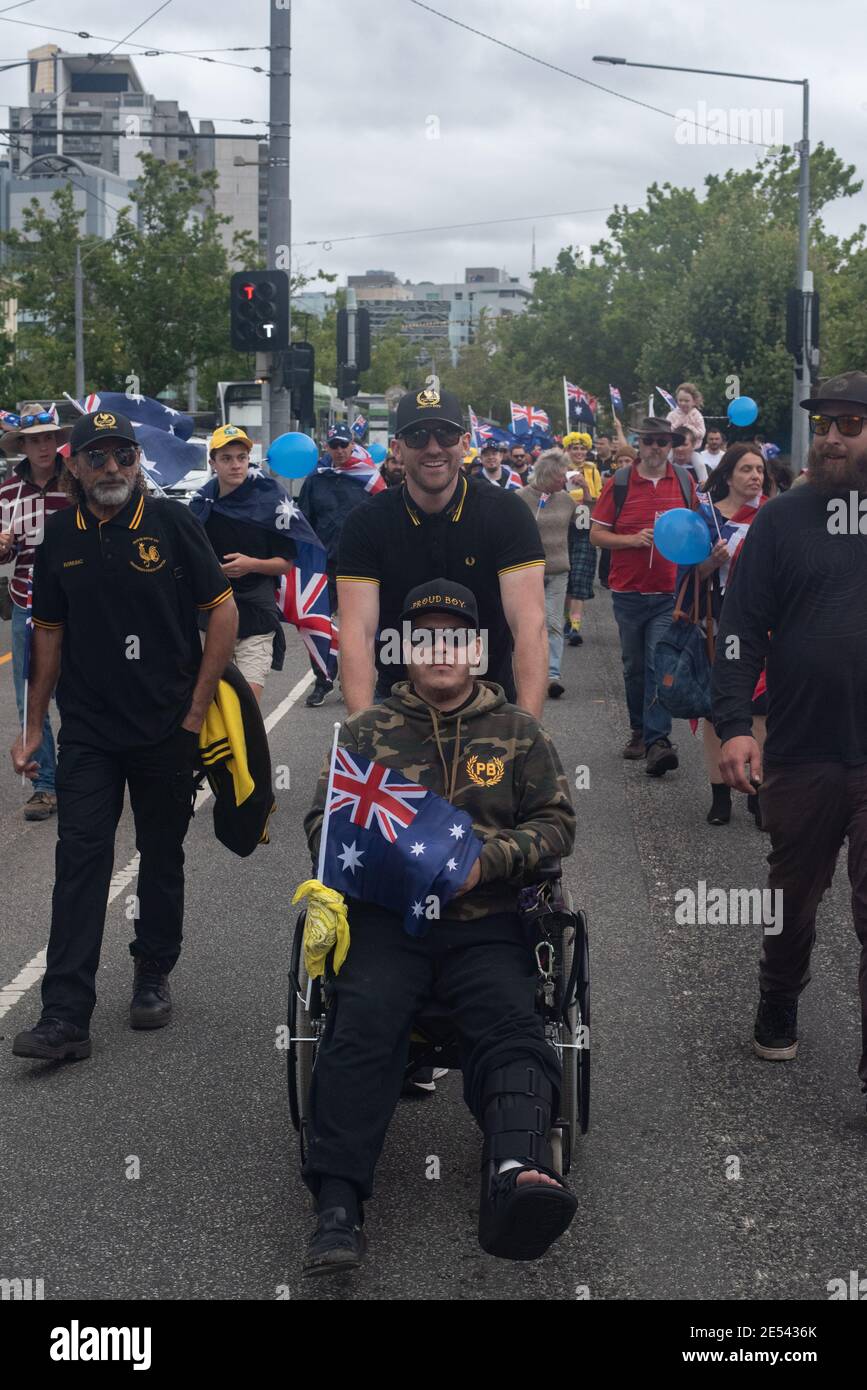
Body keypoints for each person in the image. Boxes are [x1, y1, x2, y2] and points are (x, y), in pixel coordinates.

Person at [301, 579, 577, 1275]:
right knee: (362, 1018)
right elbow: (322, 826)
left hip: (484, 921)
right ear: (405, 650)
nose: (441, 649)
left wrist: (490, 862)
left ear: (478, 649)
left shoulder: (517, 732)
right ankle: (337, 1203)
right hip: (390, 924)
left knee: (511, 1020)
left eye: (455, 636)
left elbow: (556, 826)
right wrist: (383, 861)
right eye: (424, 637)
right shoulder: (365, 734)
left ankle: (516, 1170)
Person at [10, 409, 238, 1061]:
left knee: (161, 856)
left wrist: (196, 711)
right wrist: (33, 729)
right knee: (80, 860)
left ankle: (152, 972)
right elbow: (46, 635)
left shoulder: (171, 524)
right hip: (88, 732)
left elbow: (220, 614)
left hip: (167, 726)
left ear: (138, 462)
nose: (113, 468)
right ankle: (64, 1016)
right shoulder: (59, 534)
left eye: (124, 456)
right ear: (74, 466)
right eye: (99, 457)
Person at [712, 370, 867, 1095]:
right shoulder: (780, 520)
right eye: (824, 424)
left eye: (849, 425)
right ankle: (779, 994)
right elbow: (740, 628)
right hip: (802, 749)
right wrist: (737, 726)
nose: (832, 437)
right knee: (791, 900)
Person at [336, 385, 548, 716]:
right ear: (397, 449)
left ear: (465, 443)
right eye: (418, 436)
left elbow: (529, 626)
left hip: (489, 696)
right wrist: (360, 732)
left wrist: (529, 729)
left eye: (446, 434)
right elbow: (356, 633)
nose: (433, 447)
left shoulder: (508, 513)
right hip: (397, 699)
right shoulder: (365, 523)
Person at [590, 417, 696, 775]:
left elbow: (697, 529)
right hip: (628, 593)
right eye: (649, 441)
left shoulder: (684, 480)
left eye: (662, 442)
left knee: (657, 663)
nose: (655, 448)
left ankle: (658, 741)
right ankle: (639, 730)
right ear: (639, 444)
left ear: (671, 445)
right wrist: (632, 540)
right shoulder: (619, 482)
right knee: (634, 667)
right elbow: (596, 536)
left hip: (668, 593)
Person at [676, 444, 768, 826]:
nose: (755, 476)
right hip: (715, 626)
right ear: (728, 476)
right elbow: (686, 578)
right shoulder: (705, 519)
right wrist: (711, 562)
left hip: (763, 628)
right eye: (746, 469)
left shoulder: (772, 517)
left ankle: (758, 790)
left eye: (759, 470)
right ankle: (720, 795)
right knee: (719, 711)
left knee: (759, 708)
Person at [0, 404, 71, 820]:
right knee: (30, 696)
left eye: (48, 437)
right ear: (22, 445)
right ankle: (45, 785)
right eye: (34, 439)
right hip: (27, 601)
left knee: (80, 693)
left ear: (56, 441)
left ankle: (86, 775)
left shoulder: (79, 481)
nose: (43, 446)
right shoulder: (8, 492)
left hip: (77, 605)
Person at [189, 425, 294, 701]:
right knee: (211, 703)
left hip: (256, 616)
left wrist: (252, 564)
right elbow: (187, 561)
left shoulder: (270, 501)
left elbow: (285, 563)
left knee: (246, 705)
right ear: (213, 463)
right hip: (210, 618)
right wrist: (211, 571)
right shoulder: (200, 505)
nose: (236, 465)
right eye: (226, 458)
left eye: (241, 457)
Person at [298, 423, 383, 707]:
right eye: (333, 445)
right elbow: (305, 521)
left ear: (353, 445)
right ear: (326, 447)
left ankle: (356, 680)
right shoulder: (315, 480)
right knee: (317, 624)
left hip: (359, 565)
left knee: (358, 626)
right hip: (323, 564)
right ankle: (323, 680)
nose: (339, 450)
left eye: (343, 445)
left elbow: (381, 517)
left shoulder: (367, 478)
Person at [517, 449, 574, 699]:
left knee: (553, 623)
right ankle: (526, 673)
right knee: (528, 624)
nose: (565, 480)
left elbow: (586, 526)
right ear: (548, 475)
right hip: (528, 571)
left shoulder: (567, 500)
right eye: (561, 476)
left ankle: (552, 676)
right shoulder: (519, 499)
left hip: (558, 571)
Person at [562, 434, 602, 647]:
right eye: (574, 448)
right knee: (566, 580)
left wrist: (585, 488)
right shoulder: (560, 470)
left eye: (582, 448)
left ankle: (576, 627)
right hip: (563, 530)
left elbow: (596, 503)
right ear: (567, 450)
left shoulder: (592, 470)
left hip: (584, 530)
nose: (578, 452)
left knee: (579, 580)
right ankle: (568, 621)